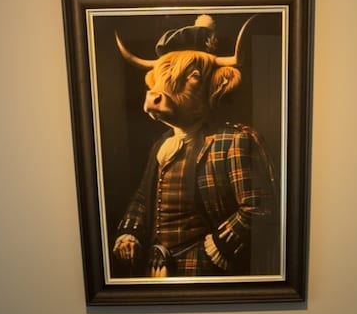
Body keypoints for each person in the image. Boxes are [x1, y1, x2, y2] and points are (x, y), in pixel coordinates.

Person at [112, 16, 279, 279]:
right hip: (154, 266)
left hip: (203, 265)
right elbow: (144, 197)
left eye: (191, 77)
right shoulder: (161, 145)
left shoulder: (234, 141)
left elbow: (258, 207)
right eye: (161, 78)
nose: (158, 91)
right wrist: (129, 232)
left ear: (216, 85)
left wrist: (220, 244)